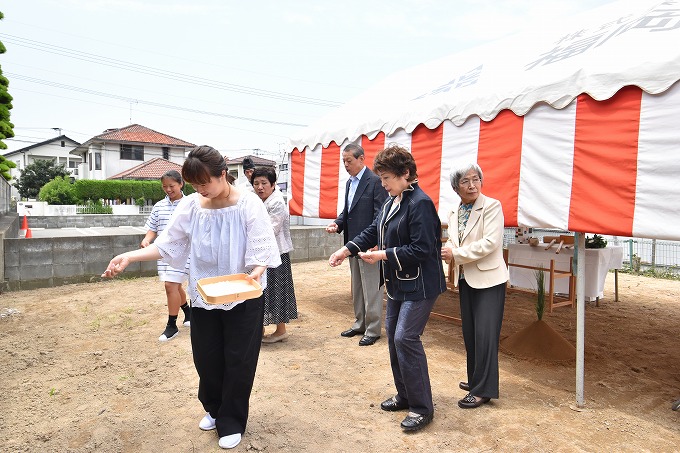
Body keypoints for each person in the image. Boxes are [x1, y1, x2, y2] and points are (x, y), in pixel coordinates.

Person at [102, 145, 281, 450]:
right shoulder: (192, 207)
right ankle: (214, 408)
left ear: (223, 174)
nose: (200, 190)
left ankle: (232, 420)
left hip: (244, 296)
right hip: (204, 295)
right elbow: (167, 244)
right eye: (195, 186)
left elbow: (263, 248)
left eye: (204, 184)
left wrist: (258, 266)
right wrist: (130, 256)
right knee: (207, 358)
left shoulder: (249, 204)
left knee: (238, 360)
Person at [329, 144, 446, 432]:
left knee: (406, 338)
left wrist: (382, 255)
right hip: (397, 282)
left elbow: (422, 248)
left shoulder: (420, 203)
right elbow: (373, 228)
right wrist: (347, 250)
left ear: (406, 174)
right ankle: (406, 394)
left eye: (387, 179)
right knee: (394, 336)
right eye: (381, 179)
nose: (382, 184)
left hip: (420, 284)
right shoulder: (393, 199)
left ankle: (422, 407)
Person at [440, 162, 509, 409]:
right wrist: (449, 249)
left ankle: (483, 390)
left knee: (485, 335)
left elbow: (490, 243)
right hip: (466, 278)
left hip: (489, 280)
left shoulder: (492, 206)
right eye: (465, 181)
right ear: (456, 187)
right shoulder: (454, 211)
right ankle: (475, 379)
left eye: (476, 179)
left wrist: (455, 255)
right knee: (470, 334)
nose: (472, 185)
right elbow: (454, 239)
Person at [326, 143, 388, 346]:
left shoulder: (375, 181)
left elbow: (380, 215)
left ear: (362, 159)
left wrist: (377, 241)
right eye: (343, 161)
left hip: (369, 245)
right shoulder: (349, 183)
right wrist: (338, 222)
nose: (345, 164)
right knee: (358, 288)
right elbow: (348, 211)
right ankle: (360, 322)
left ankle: (373, 329)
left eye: (349, 160)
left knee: (372, 288)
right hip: (352, 244)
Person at [140, 170, 191, 342]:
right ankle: (188, 312)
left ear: (181, 184)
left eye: (172, 186)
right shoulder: (158, 206)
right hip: (163, 253)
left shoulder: (190, 204)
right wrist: (147, 240)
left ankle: (172, 325)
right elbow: (152, 228)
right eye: (164, 187)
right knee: (175, 287)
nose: (168, 189)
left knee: (170, 286)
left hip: (185, 253)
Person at [251, 166, 298, 343]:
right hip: (261, 254)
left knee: (277, 291)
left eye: (264, 183)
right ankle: (260, 328)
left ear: (273, 184)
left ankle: (280, 330)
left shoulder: (276, 202)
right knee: (262, 291)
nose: (260, 187)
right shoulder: (258, 201)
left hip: (277, 254)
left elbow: (271, 229)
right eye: (256, 183)